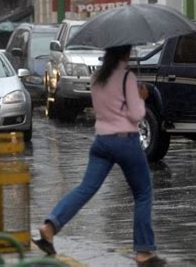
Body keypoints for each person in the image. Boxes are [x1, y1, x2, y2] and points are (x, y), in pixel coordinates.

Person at [32, 45, 157, 263]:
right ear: (126, 53)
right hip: (125, 141)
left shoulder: (97, 76)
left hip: (102, 142)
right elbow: (136, 115)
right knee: (143, 192)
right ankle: (144, 250)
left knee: (85, 189)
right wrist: (141, 97)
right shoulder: (127, 77)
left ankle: (50, 226)